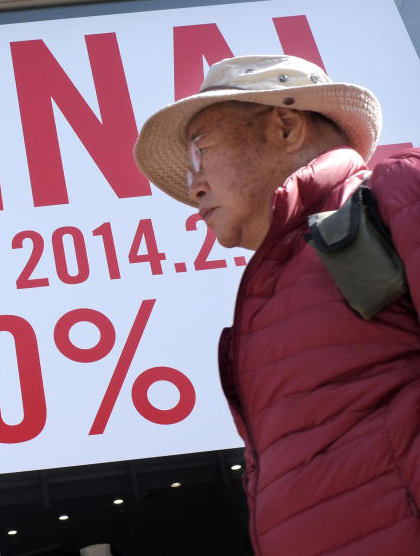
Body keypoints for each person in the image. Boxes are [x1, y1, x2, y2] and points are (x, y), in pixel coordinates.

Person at [133, 54, 420, 554]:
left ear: (285, 126)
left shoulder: (398, 191)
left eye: (200, 152)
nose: (193, 186)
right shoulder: (273, 284)